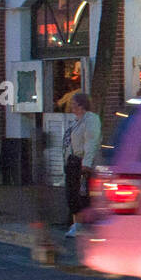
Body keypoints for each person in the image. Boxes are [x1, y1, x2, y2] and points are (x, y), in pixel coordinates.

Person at [63, 91, 101, 238]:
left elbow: (91, 141)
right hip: (72, 161)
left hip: (82, 162)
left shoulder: (90, 119)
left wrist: (86, 164)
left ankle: (82, 225)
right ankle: (76, 224)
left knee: (82, 195)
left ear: (81, 105)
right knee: (72, 195)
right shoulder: (75, 121)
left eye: (74, 104)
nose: (72, 106)